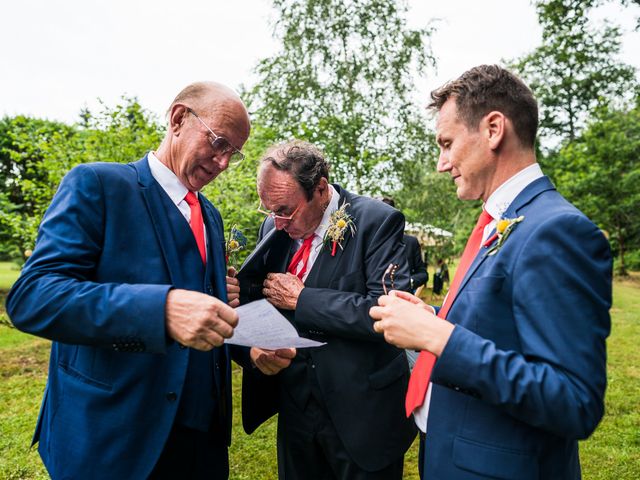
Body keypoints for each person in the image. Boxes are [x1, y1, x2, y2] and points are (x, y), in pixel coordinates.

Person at [5, 82, 293, 480]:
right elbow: (34, 296)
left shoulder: (210, 216)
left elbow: (204, 316)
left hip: (200, 443)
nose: (224, 163)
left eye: (234, 153)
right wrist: (160, 309)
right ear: (178, 119)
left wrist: (250, 350)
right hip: (116, 435)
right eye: (219, 143)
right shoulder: (98, 185)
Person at [370, 65, 612, 479]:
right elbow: (501, 324)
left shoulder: (557, 230)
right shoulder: (501, 219)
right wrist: (434, 318)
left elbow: (574, 401)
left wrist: (438, 337)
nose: (442, 164)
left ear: (494, 129)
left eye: (447, 144)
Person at [237, 140, 416, 479]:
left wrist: (304, 300)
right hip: (295, 407)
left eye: (285, 210)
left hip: (362, 412)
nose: (276, 222)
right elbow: (263, 296)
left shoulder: (377, 221)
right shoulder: (274, 226)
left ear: (320, 188)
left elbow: (388, 312)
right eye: (268, 210)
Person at [381, 197, 428, 294]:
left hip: (404, 298)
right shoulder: (368, 241)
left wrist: (409, 282)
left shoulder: (411, 242)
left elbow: (423, 273)